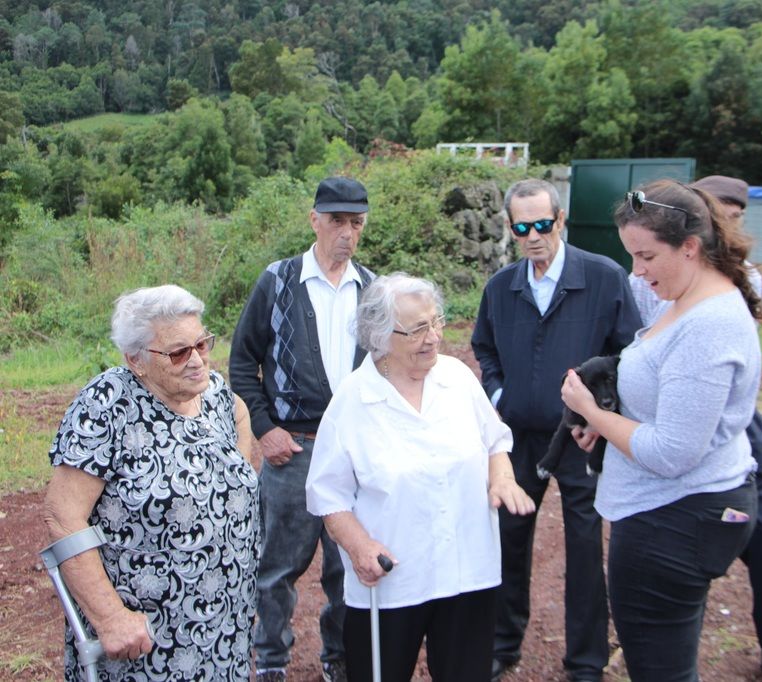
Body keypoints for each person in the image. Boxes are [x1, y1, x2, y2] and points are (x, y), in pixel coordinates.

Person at [560, 179, 761, 682]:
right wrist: (609, 423)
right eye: (631, 256)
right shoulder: (689, 298)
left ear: (690, 248)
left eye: (646, 256)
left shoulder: (708, 325)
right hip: (677, 514)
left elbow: (672, 451)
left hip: (672, 521)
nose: (637, 270)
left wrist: (595, 412)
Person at [628, 175, 762, 682]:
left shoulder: (733, 287)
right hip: (685, 415)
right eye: (723, 213)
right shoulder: (659, 275)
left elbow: (682, 426)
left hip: (720, 433)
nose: (730, 224)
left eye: (737, 216)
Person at [306, 273, 536, 682]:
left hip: (467, 571)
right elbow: (327, 493)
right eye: (416, 329)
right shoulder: (353, 400)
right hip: (393, 580)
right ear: (379, 336)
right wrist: (359, 547)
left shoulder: (457, 378)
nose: (432, 337)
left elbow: (495, 439)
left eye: (436, 321)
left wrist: (501, 477)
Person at [43, 284, 260, 681]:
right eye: (179, 352)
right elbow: (63, 518)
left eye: (202, 344)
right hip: (146, 639)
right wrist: (110, 618)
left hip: (225, 624)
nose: (197, 361)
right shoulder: (108, 404)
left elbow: (238, 436)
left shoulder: (217, 396)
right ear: (137, 360)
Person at [472, 178, 642, 682]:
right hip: (521, 438)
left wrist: (600, 412)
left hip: (581, 440)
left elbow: (630, 354)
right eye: (522, 227)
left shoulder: (604, 278)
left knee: (586, 548)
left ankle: (586, 661)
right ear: (510, 229)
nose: (533, 236)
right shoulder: (502, 288)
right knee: (508, 537)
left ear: (560, 221)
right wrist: (502, 397)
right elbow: (485, 349)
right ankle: (503, 644)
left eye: (543, 224)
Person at [230, 176, 376, 682]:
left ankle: (338, 658)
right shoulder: (278, 280)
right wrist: (265, 428)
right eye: (336, 220)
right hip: (292, 450)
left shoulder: (373, 290)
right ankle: (270, 662)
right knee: (276, 569)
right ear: (314, 220)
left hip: (353, 454)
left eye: (355, 222)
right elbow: (242, 361)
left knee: (345, 567)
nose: (346, 233)